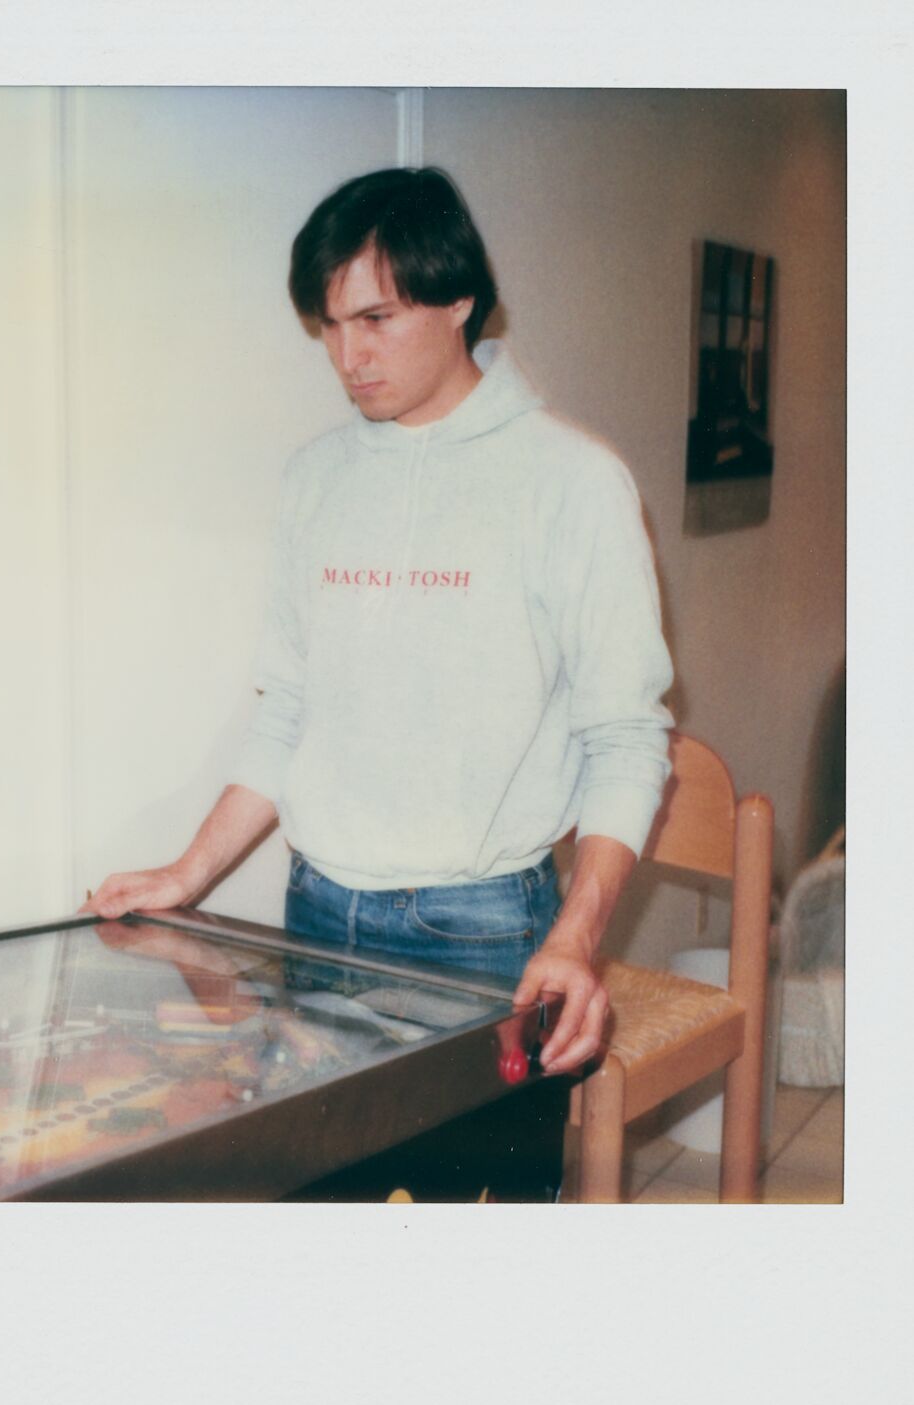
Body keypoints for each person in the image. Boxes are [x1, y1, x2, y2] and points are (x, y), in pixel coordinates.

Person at [84, 167, 673, 1200]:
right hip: (318, 911)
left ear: (457, 303)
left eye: (375, 319)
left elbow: (625, 738)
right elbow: (289, 712)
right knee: (327, 1211)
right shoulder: (316, 478)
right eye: (327, 325)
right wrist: (186, 875)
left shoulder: (572, 480)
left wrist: (576, 940)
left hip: (482, 927)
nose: (347, 357)